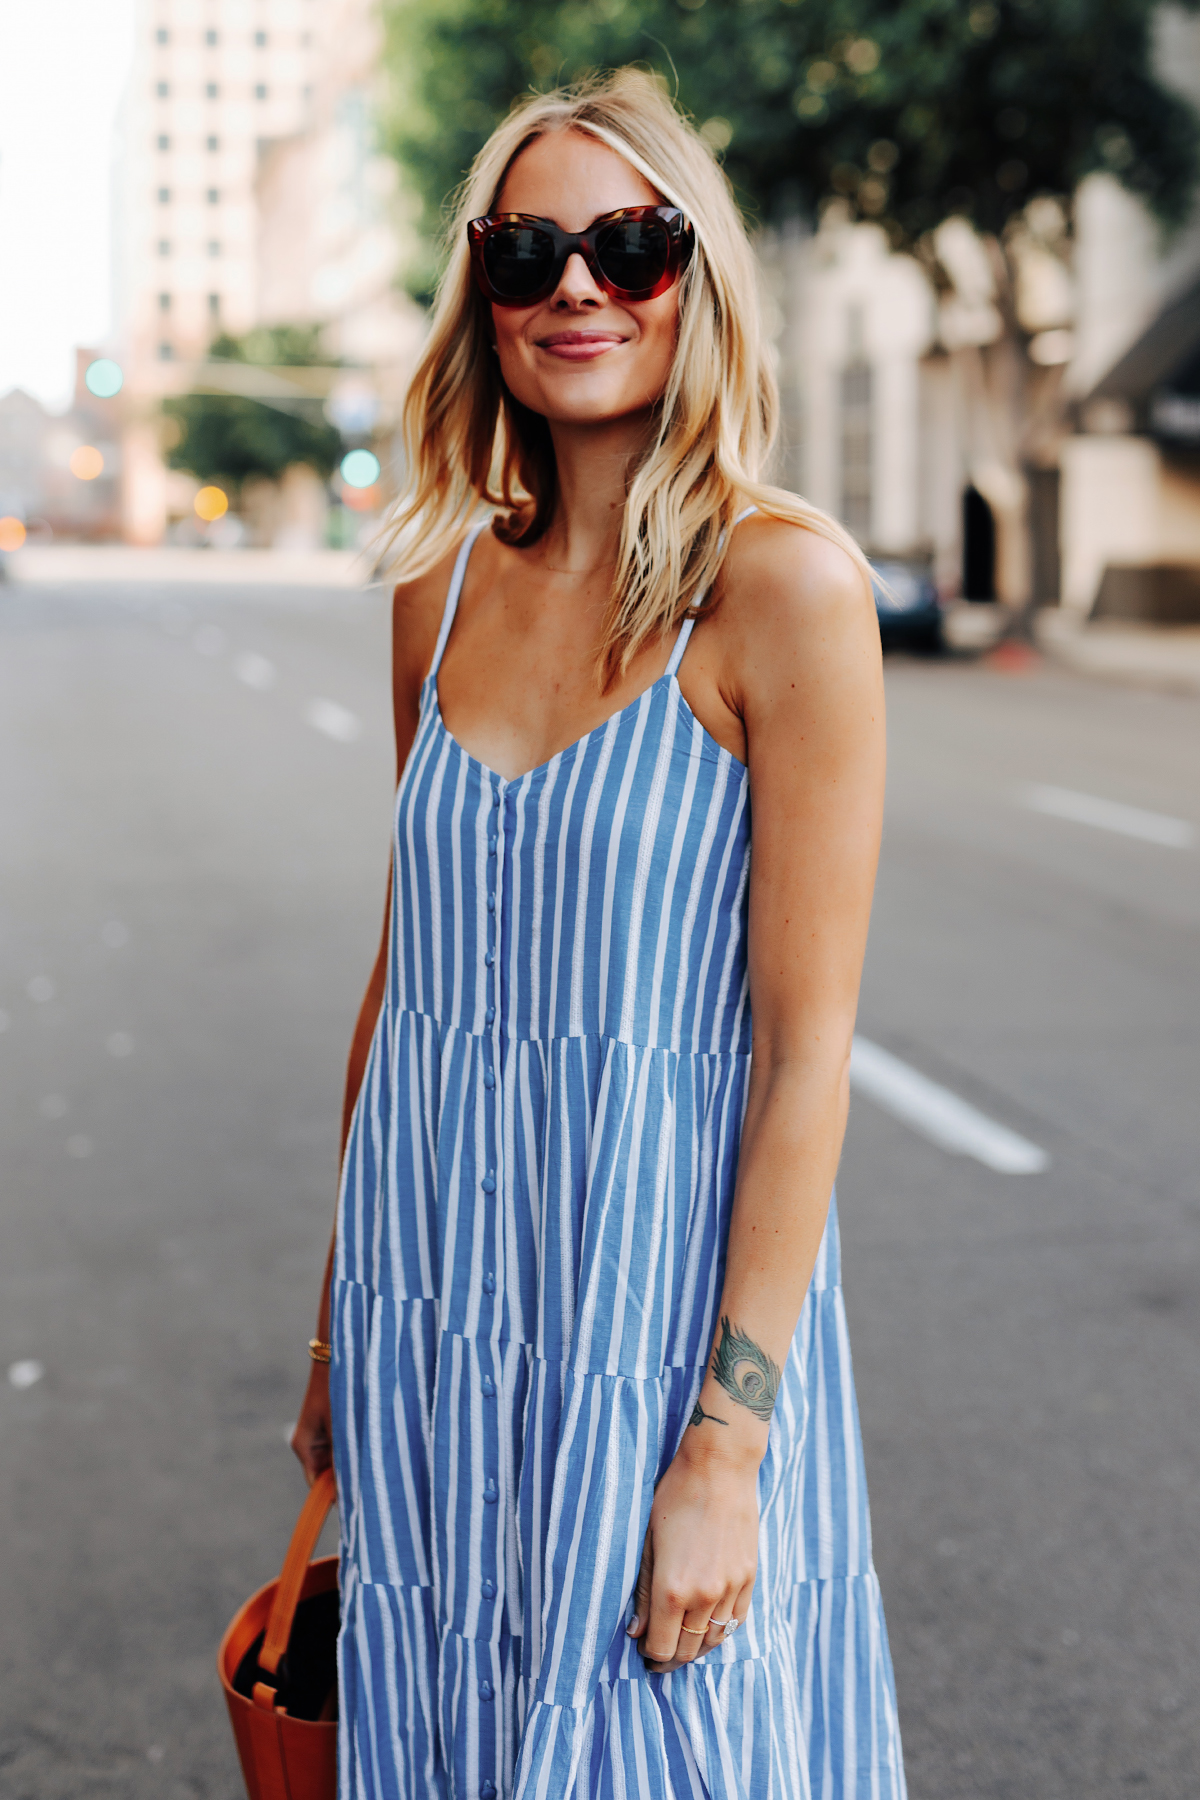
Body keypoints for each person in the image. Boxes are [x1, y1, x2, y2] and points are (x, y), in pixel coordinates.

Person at [292, 67, 905, 1800]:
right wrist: (343, 1321)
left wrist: (727, 1442)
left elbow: (804, 1057)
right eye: (530, 251)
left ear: (694, 279)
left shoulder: (785, 590)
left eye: (628, 246)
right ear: (480, 296)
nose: (578, 288)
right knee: (447, 1735)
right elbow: (411, 973)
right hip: (437, 1303)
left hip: (649, 1323)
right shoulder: (443, 583)